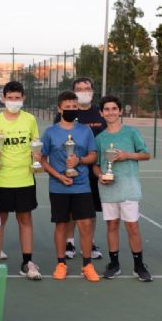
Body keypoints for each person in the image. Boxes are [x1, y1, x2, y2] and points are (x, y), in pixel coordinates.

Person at [40, 91, 99, 282]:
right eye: (68, 107)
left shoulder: (85, 131)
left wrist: (79, 160)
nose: (71, 110)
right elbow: (42, 159)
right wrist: (59, 176)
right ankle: (61, 263)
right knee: (61, 225)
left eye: (74, 107)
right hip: (59, 186)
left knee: (86, 224)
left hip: (82, 185)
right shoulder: (50, 132)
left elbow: (93, 156)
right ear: (59, 109)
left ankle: (87, 265)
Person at [93, 95, 152, 282]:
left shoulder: (131, 132)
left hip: (129, 187)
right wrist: (100, 175)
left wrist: (127, 155)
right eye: (106, 109)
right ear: (101, 113)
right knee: (112, 225)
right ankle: (114, 263)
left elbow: (146, 155)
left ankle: (139, 265)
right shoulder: (100, 138)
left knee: (132, 227)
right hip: (108, 189)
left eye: (114, 109)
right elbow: (95, 164)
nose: (110, 112)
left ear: (120, 111)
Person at [0, 81, 41, 280]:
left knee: (25, 219)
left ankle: (27, 263)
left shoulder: (30, 119)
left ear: (23, 98)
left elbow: (35, 145)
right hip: (1, 179)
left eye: (17, 98)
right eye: (10, 98)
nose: (14, 101)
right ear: (3, 99)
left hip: (25, 178)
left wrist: (37, 157)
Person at [64, 77, 106, 260]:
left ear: (93, 91)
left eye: (86, 88)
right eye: (79, 89)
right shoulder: (67, 113)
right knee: (72, 209)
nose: (83, 91)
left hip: (95, 170)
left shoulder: (100, 113)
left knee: (91, 209)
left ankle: (90, 241)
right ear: (73, 92)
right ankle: (70, 241)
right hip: (73, 170)